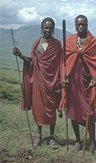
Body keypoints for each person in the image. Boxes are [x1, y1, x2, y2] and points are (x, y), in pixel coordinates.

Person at [13, 17, 62, 148]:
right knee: (38, 109)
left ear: (53, 29)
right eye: (46, 27)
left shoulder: (57, 44)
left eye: (50, 27)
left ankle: (52, 137)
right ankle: (38, 137)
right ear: (42, 28)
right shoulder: (36, 43)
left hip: (51, 82)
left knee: (51, 109)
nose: (48, 29)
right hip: (38, 81)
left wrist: (59, 81)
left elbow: (59, 64)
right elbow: (33, 62)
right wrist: (20, 55)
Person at [59, 15, 96, 153]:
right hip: (72, 83)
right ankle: (78, 141)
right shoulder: (70, 42)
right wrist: (64, 77)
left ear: (87, 25)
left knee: (89, 114)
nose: (80, 27)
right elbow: (64, 63)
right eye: (78, 24)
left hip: (86, 84)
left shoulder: (93, 42)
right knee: (72, 111)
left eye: (83, 24)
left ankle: (92, 144)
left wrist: (94, 78)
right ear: (75, 26)